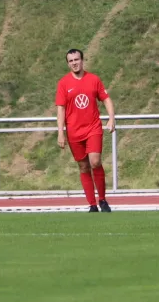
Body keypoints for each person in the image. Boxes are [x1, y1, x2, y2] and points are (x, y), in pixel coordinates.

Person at [55, 48, 115, 213]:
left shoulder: (94, 79)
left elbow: (106, 99)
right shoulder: (63, 83)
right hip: (74, 131)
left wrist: (111, 117)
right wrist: (61, 132)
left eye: (77, 59)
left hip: (93, 128)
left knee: (95, 161)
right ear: (68, 63)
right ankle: (92, 205)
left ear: (82, 60)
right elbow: (60, 109)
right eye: (71, 61)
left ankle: (102, 200)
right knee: (83, 167)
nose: (74, 63)